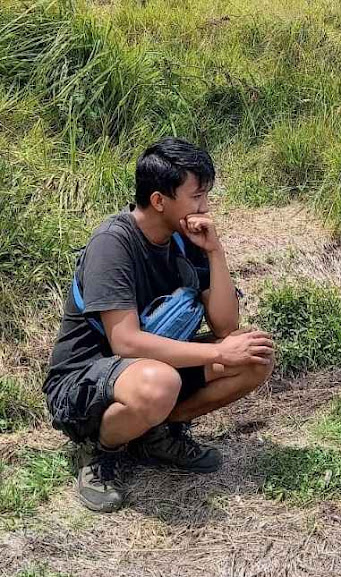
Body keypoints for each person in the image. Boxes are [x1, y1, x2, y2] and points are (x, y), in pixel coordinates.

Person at [43, 137, 275, 513]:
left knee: (253, 356)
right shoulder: (113, 243)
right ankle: (101, 451)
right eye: (196, 197)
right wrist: (218, 351)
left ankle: (154, 432)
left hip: (150, 373)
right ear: (158, 200)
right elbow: (126, 343)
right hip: (82, 383)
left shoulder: (185, 241)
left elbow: (226, 323)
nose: (205, 207)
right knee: (161, 380)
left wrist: (215, 252)